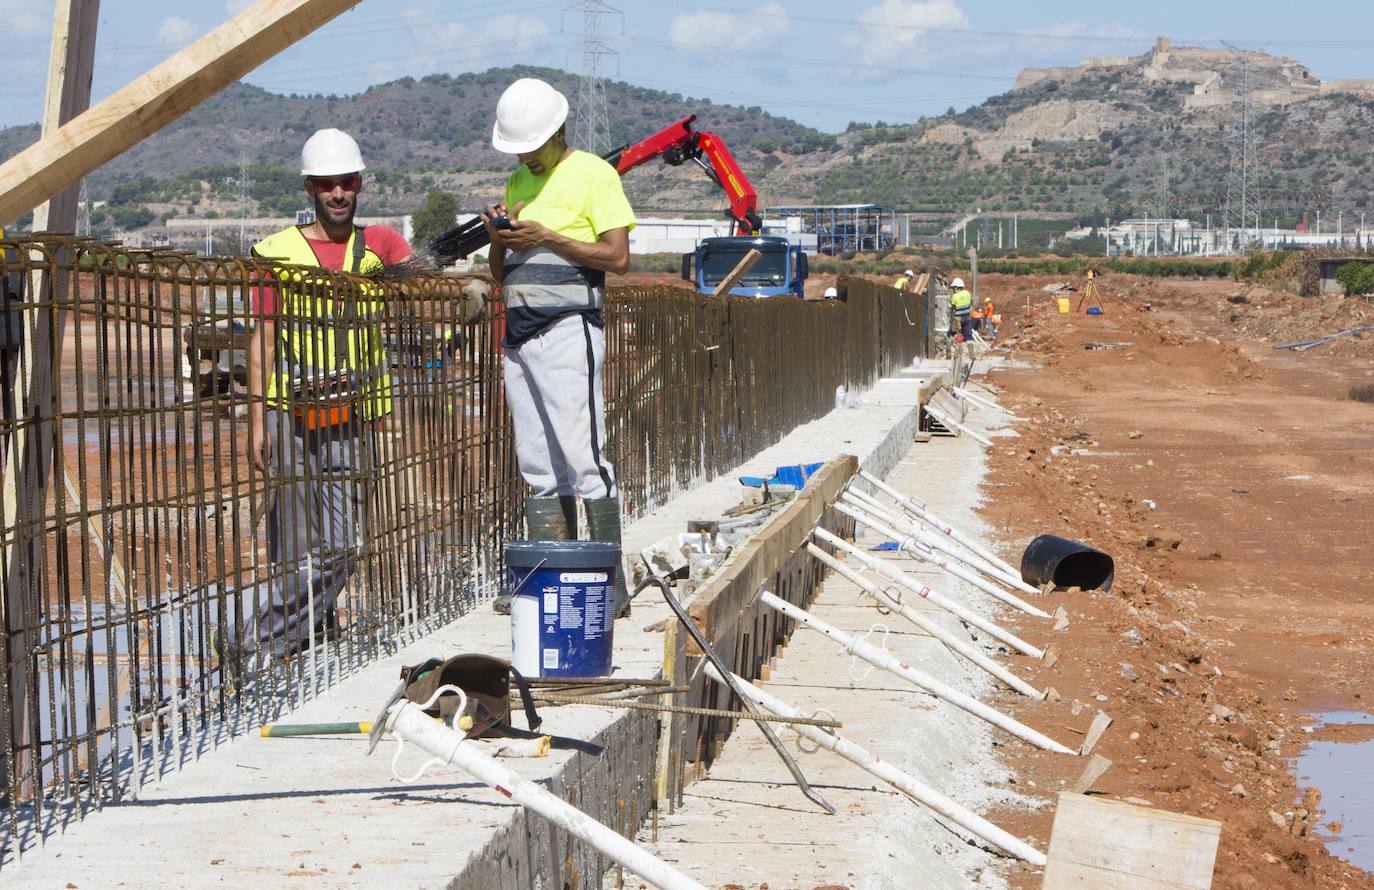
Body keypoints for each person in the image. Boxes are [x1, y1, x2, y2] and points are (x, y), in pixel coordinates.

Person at [231, 128, 418, 666]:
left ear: (359, 184)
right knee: (291, 539)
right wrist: (256, 421)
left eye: (347, 182)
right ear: (310, 188)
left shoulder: (379, 246)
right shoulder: (278, 252)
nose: (338, 193)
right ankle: (306, 634)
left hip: (350, 413)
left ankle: (259, 639)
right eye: (327, 184)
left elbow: (421, 274)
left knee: (341, 546)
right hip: (291, 410)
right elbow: (263, 337)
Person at [482, 78, 636, 618]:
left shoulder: (594, 173)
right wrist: (501, 239)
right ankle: (551, 569)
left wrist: (548, 237)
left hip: (569, 329)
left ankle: (609, 579)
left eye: (533, 145)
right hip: (520, 334)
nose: (526, 155)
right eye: (519, 147)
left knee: (582, 456)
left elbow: (616, 258)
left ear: (558, 131)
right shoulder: (518, 179)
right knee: (538, 464)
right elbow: (500, 271)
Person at [950, 276, 974, 341]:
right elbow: (970, 303)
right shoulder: (968, 293)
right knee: (968, 336)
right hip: (967, 317)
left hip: (958, 318)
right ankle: (971, 350)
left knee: (952, 333)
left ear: (956, 287)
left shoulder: (955, 296)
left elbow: (953, 308)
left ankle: (953, 349)